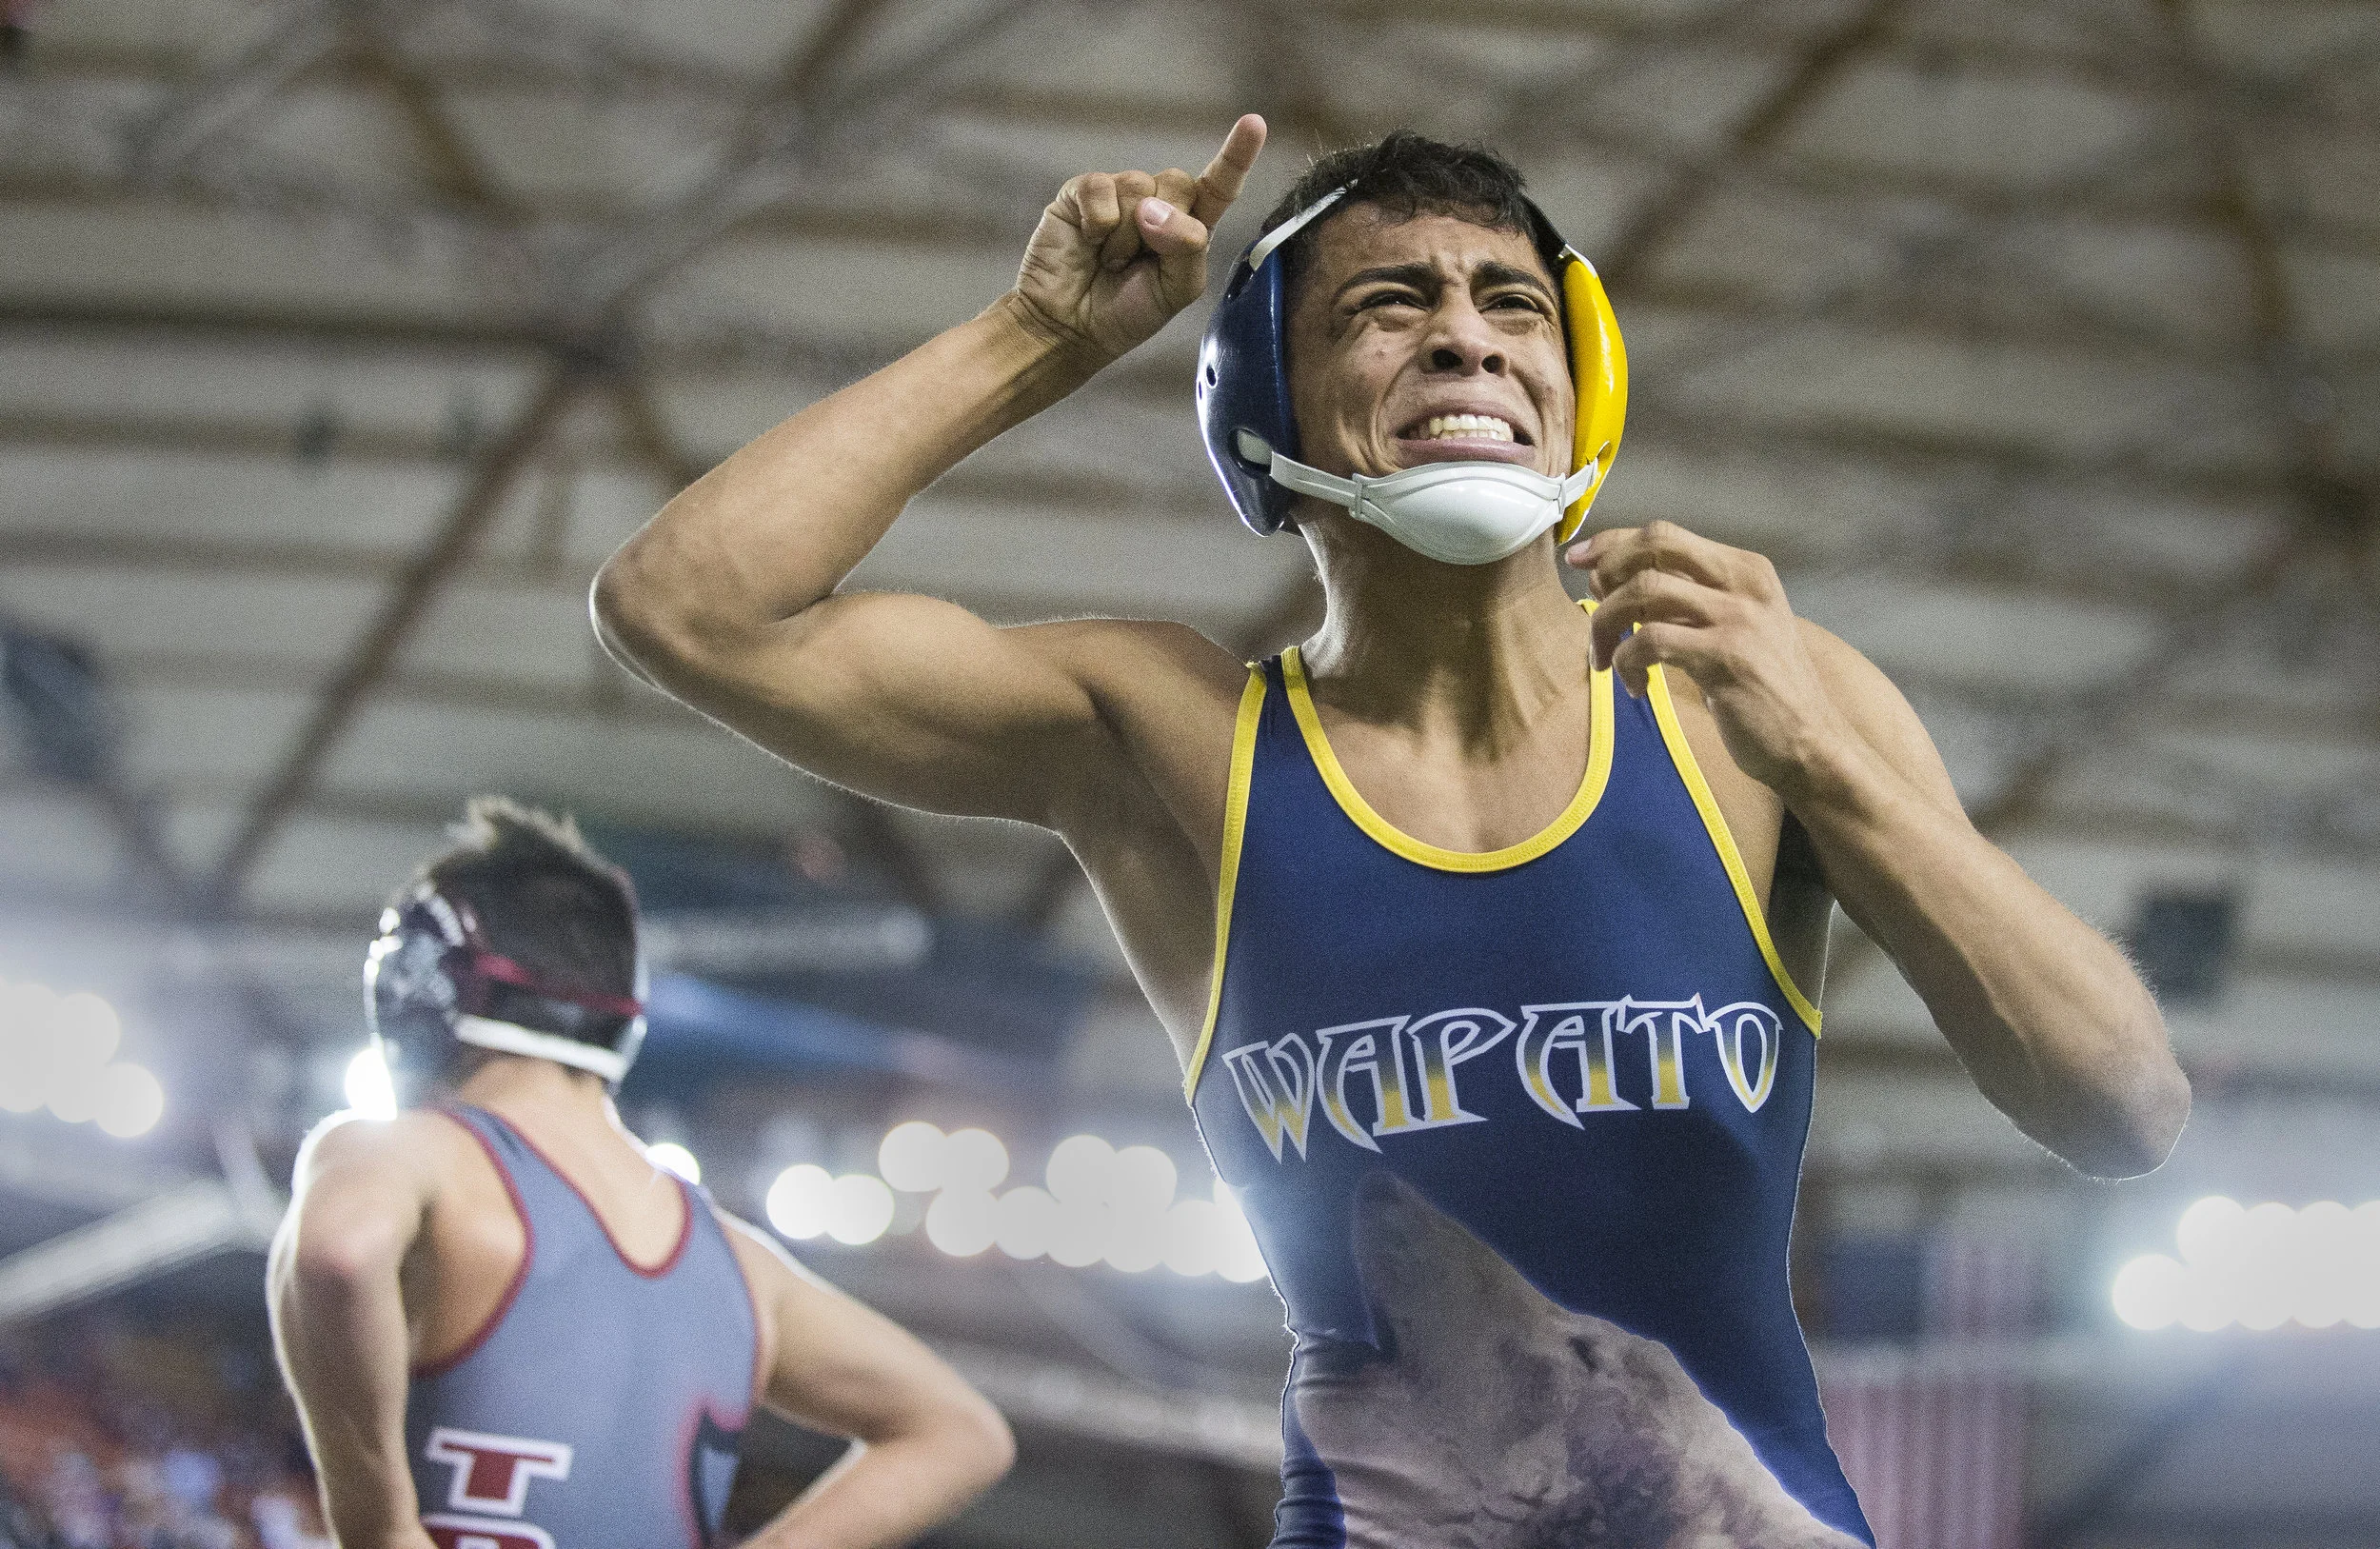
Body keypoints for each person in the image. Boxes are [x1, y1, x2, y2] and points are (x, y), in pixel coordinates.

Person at [590, 117, 2190, 1546]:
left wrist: (1834, 769)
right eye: (1388, 305)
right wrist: (1039, 337)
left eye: (1514, 307)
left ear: (1584, 383)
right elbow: (688, 609)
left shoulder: (1747, 697)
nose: (1466, 339)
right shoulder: (1171, 738)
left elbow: (2124, 1102)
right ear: (1265, 398)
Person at [268, 799, 1012, 1549]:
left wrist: (381, 1526)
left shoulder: (412, 1153)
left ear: (417, 982)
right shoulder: (743, 1268)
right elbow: (963, 1432)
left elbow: (341, 1249)